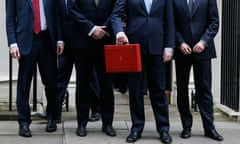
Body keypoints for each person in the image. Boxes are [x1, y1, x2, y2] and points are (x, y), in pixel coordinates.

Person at [111, 0, 175, 143]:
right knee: (135, 90)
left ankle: (164, 129)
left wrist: (169, 46)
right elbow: (116, 15)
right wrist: (119, 32)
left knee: (158, 90)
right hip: (134, 46)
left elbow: (170, 20)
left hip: (158, 45)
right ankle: (136, 128)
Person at [6, 0, 64, 137]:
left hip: (47, 40)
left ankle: (51, 117)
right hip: (26, 40)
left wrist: (60, 39)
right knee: (24, 84)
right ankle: (24, 122)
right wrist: (12, 43)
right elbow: (9, 18)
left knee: (51, 83)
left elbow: (57, 16)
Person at [173, 0, 223, 141]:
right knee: (182, 89)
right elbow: (172, 23)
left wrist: (203, 41)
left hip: (203, 50)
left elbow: (214, 22)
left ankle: (209, 128)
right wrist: (180, 42)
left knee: (204, 90)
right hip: (182, 51)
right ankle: (186, 127)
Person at [68, 0, 117, 137]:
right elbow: (72, 9)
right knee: (83, 84)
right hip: (83, 41)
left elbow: (117, 10)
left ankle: (107, 123)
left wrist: (104, 28)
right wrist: (91, 28)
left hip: (106, 40)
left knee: (106, 85)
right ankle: (82, 123)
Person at [57, 0, 101, 123]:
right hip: (66, 42)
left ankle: (96, 109)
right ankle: (56, 112)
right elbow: (57, 18)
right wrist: (59, 39)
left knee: (90, 77)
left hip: (83, 40)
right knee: (61, 77)